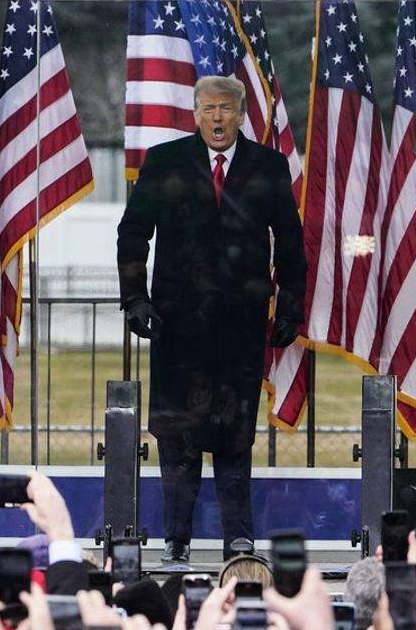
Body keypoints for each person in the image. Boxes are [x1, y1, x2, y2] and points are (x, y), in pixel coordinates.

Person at [116, 75, 306, 563]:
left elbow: (289, 243)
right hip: (177, 328)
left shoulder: (268, 165)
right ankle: (176, 538)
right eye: (209, 109)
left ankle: (238, 539)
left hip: (239, 329)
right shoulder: (164, 162)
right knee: (176, 433)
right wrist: (135, 298)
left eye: (226, 109)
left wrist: (289, 309)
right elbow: (133, 234)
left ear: (242, 115)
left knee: (234, 432)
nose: (218, 118)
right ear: (194, 113)